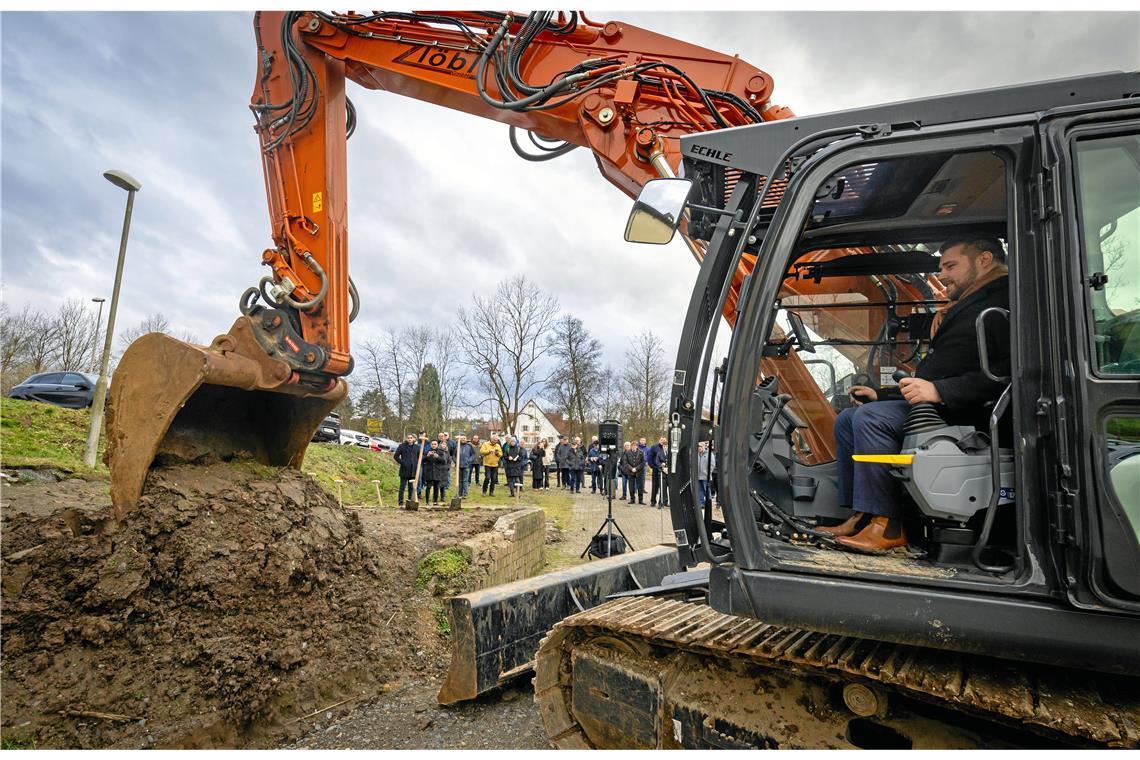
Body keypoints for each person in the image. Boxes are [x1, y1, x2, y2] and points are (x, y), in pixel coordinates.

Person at [823, 237, 1011, 554]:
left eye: (950, 266)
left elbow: (1010, 371)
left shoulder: (1005, 300)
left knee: (871, 420)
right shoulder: (972, 299)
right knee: (848, 419)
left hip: (968, 410)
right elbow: (937, 372)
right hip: (936, 403)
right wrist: (882, 394)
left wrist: (940, 391)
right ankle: (861, 515)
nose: (942, 276)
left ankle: (889, 526)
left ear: (984, 259)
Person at [394, 433, 420, 507]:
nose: (409, 439)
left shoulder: (417, 447)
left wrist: (416, 464)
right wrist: (403, 462)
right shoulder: (402, 446)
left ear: (413, 439)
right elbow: (396, 456)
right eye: (408, 438)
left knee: (411, 487)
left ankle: (410, 501)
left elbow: (419, 457)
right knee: (402, 486)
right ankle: (400, 502)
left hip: (413, 470)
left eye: (411, 438)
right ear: (406, 438)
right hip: (404, 469)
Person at [423, 439, 450, 506]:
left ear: (437, 445)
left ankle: (435, 501)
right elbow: (422, 461)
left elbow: (444, 461)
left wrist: (438, 457)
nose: (434, 445)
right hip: (429, 471)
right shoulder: (427, 451)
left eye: (435, 444)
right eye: (432, 444)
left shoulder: (441, 452)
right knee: (428, 487)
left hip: (438, 472)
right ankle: (427, 501)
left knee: (436, 487)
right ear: (430, 445)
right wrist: (427, 456)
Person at [647, 436, 670, 508]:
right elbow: (650, 457)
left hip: (665, 471)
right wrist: (652, 466)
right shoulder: (654, 447)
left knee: (664, 486)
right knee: (655, 486)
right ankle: (653, 501)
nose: (662, 441)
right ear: (659, 440)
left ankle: (665, 501)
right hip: (656, 469)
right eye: (661, 440)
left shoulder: (668, 449)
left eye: (664, 440)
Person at [696, 441, 714, 510]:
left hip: (705, 476)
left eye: (700, 446)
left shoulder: (709, 454)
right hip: (698, 476)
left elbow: (712, 465)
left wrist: (708, 473)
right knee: (700, 490)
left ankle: (708, 504)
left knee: (706, 490)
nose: (699, 448)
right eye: (698, 446)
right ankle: (701, 504)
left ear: (704, 446)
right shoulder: (696, 454)